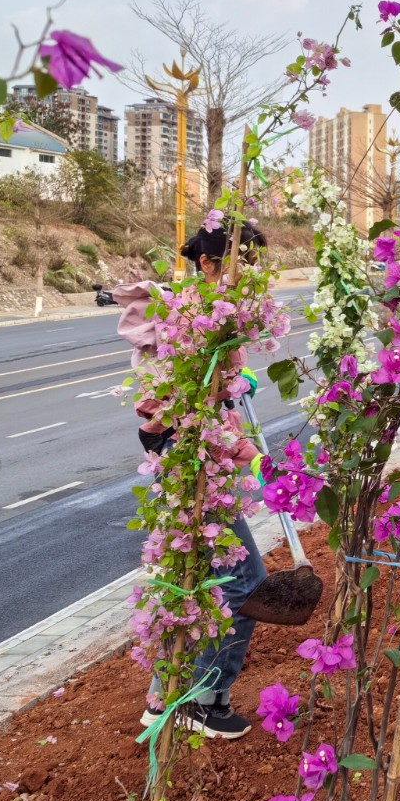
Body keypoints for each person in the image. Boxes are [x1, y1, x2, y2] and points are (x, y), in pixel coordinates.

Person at [127, 222, 271, 740]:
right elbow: (190, 414)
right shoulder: (194, 316)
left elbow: (218, 404)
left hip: (194, 451)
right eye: (244, 261)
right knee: (243, 581)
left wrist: (235, 387)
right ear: (211, 264)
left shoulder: (213, 312)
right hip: (191, 456)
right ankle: (202, 701)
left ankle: (163, 696)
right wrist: (247, 453)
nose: (253, 274)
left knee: (193, 577)